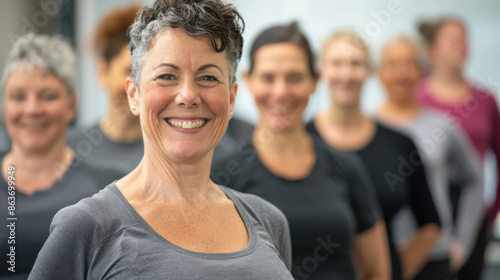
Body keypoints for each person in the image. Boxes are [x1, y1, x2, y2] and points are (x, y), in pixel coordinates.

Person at [29, 1, 292, 279]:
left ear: (231, 98)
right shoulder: (88, 228)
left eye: (207, 77)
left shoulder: (268, 221)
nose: (188, 96)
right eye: (167, 76)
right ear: (134, 95)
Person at [212, 22, 390, 280]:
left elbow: (376, 272)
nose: (281, 91)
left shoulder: (346, 168)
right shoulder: (222, 175)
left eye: (294, 78)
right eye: (268, 77)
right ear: (248, 81)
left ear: (315, 80)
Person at [307, 31, 441, 280]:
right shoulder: (302, 141)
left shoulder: (399, 143)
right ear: (321, 71)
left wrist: (395, 271)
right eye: (336, 63)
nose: (346, 74)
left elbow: (431, 224)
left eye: (355, 64)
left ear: (370, 71)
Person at [0, 34, 123, 279]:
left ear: (71, 106)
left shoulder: (110, 187)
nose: (32, 109)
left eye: (48, 96)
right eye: (18, 97)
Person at [376, 36, 483, 279]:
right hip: (382, 256)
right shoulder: (367, 129)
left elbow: (475, 180)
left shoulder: (442, 127)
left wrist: (463, 241)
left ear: (422, 70)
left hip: (435, 256)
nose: (401, 74)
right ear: (378, 72)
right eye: (392, 65)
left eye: (409, 64)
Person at [416, 18, 500, 280]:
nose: (461, 46)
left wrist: (491, 212)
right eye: (453, 40)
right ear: (432, 51)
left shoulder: (485, 100)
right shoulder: (417, 98)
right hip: (426, 214)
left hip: (473, 212)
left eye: (464, 39)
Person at [67, 4, 144, 173]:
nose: (137, 85)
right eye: (129, 71)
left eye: (146, 73)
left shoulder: (171, 153)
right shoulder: (68, 151)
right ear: (102, 72)